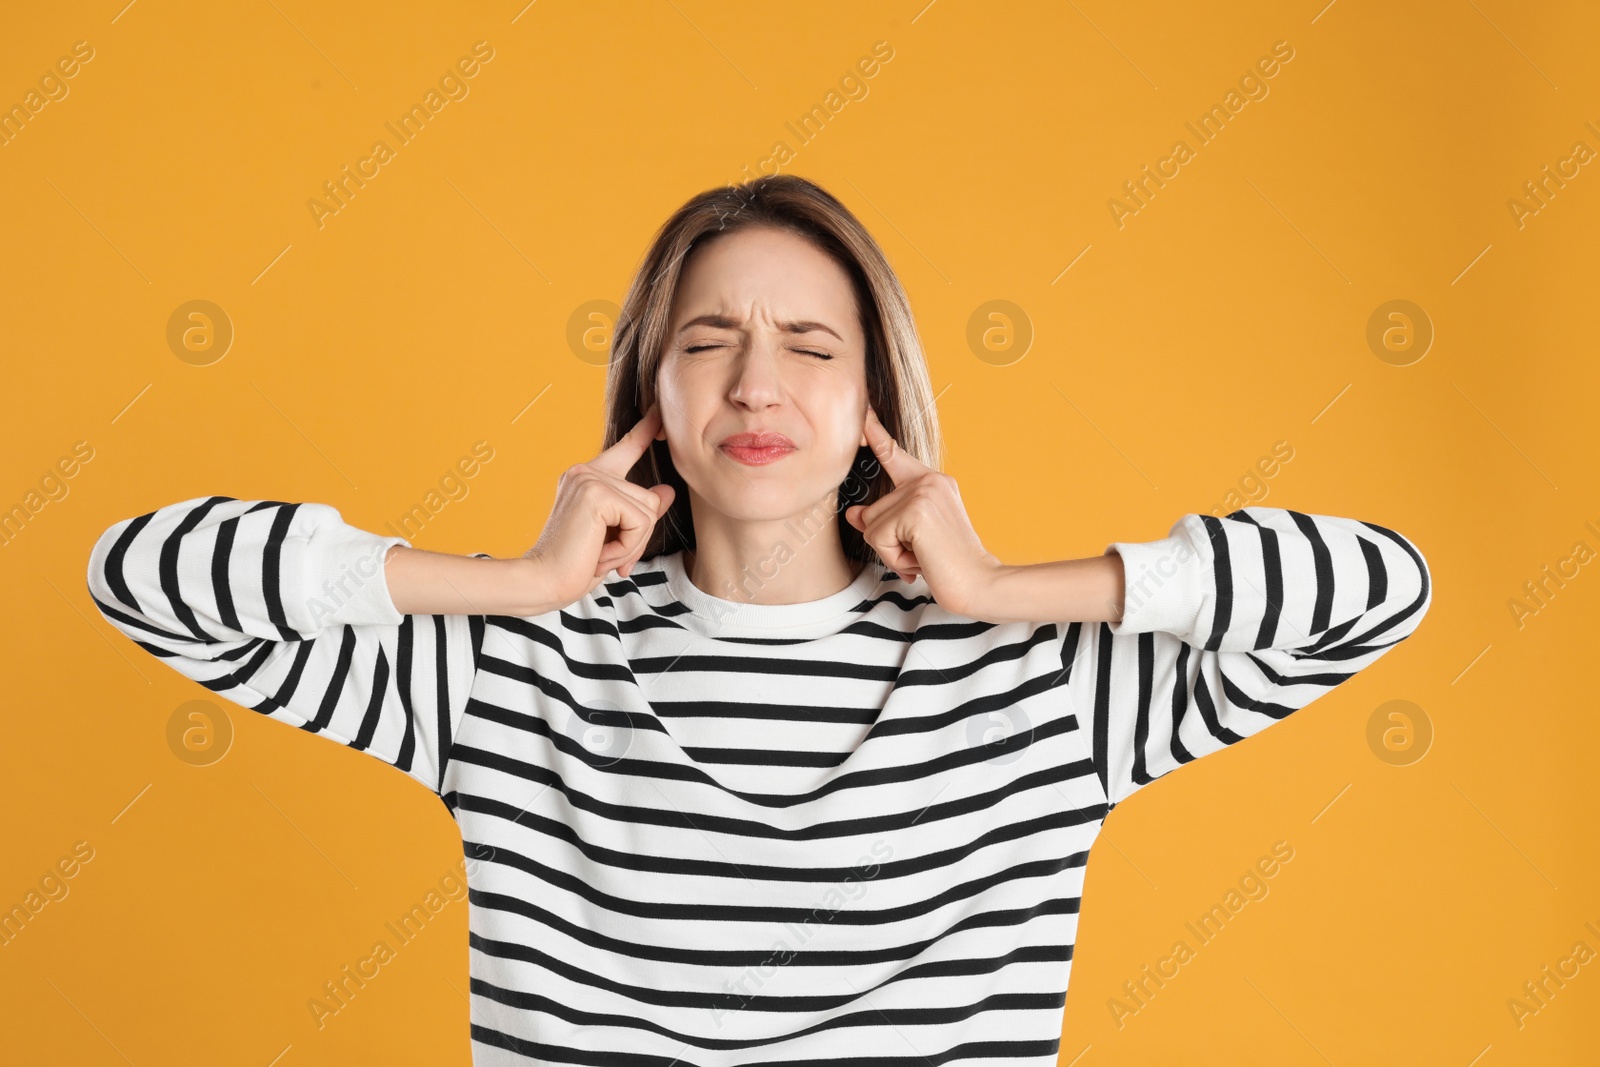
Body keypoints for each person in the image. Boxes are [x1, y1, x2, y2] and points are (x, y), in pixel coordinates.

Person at [86, 174, 1432, 1066]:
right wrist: (507, 583)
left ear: (872, 402)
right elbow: (142, 573)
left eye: (812, 344)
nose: (757, 383)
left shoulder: (1044, 686)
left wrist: (1008, 593)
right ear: (650, 397)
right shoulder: (509, 672)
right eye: (706, 341)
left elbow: (1377, 589)